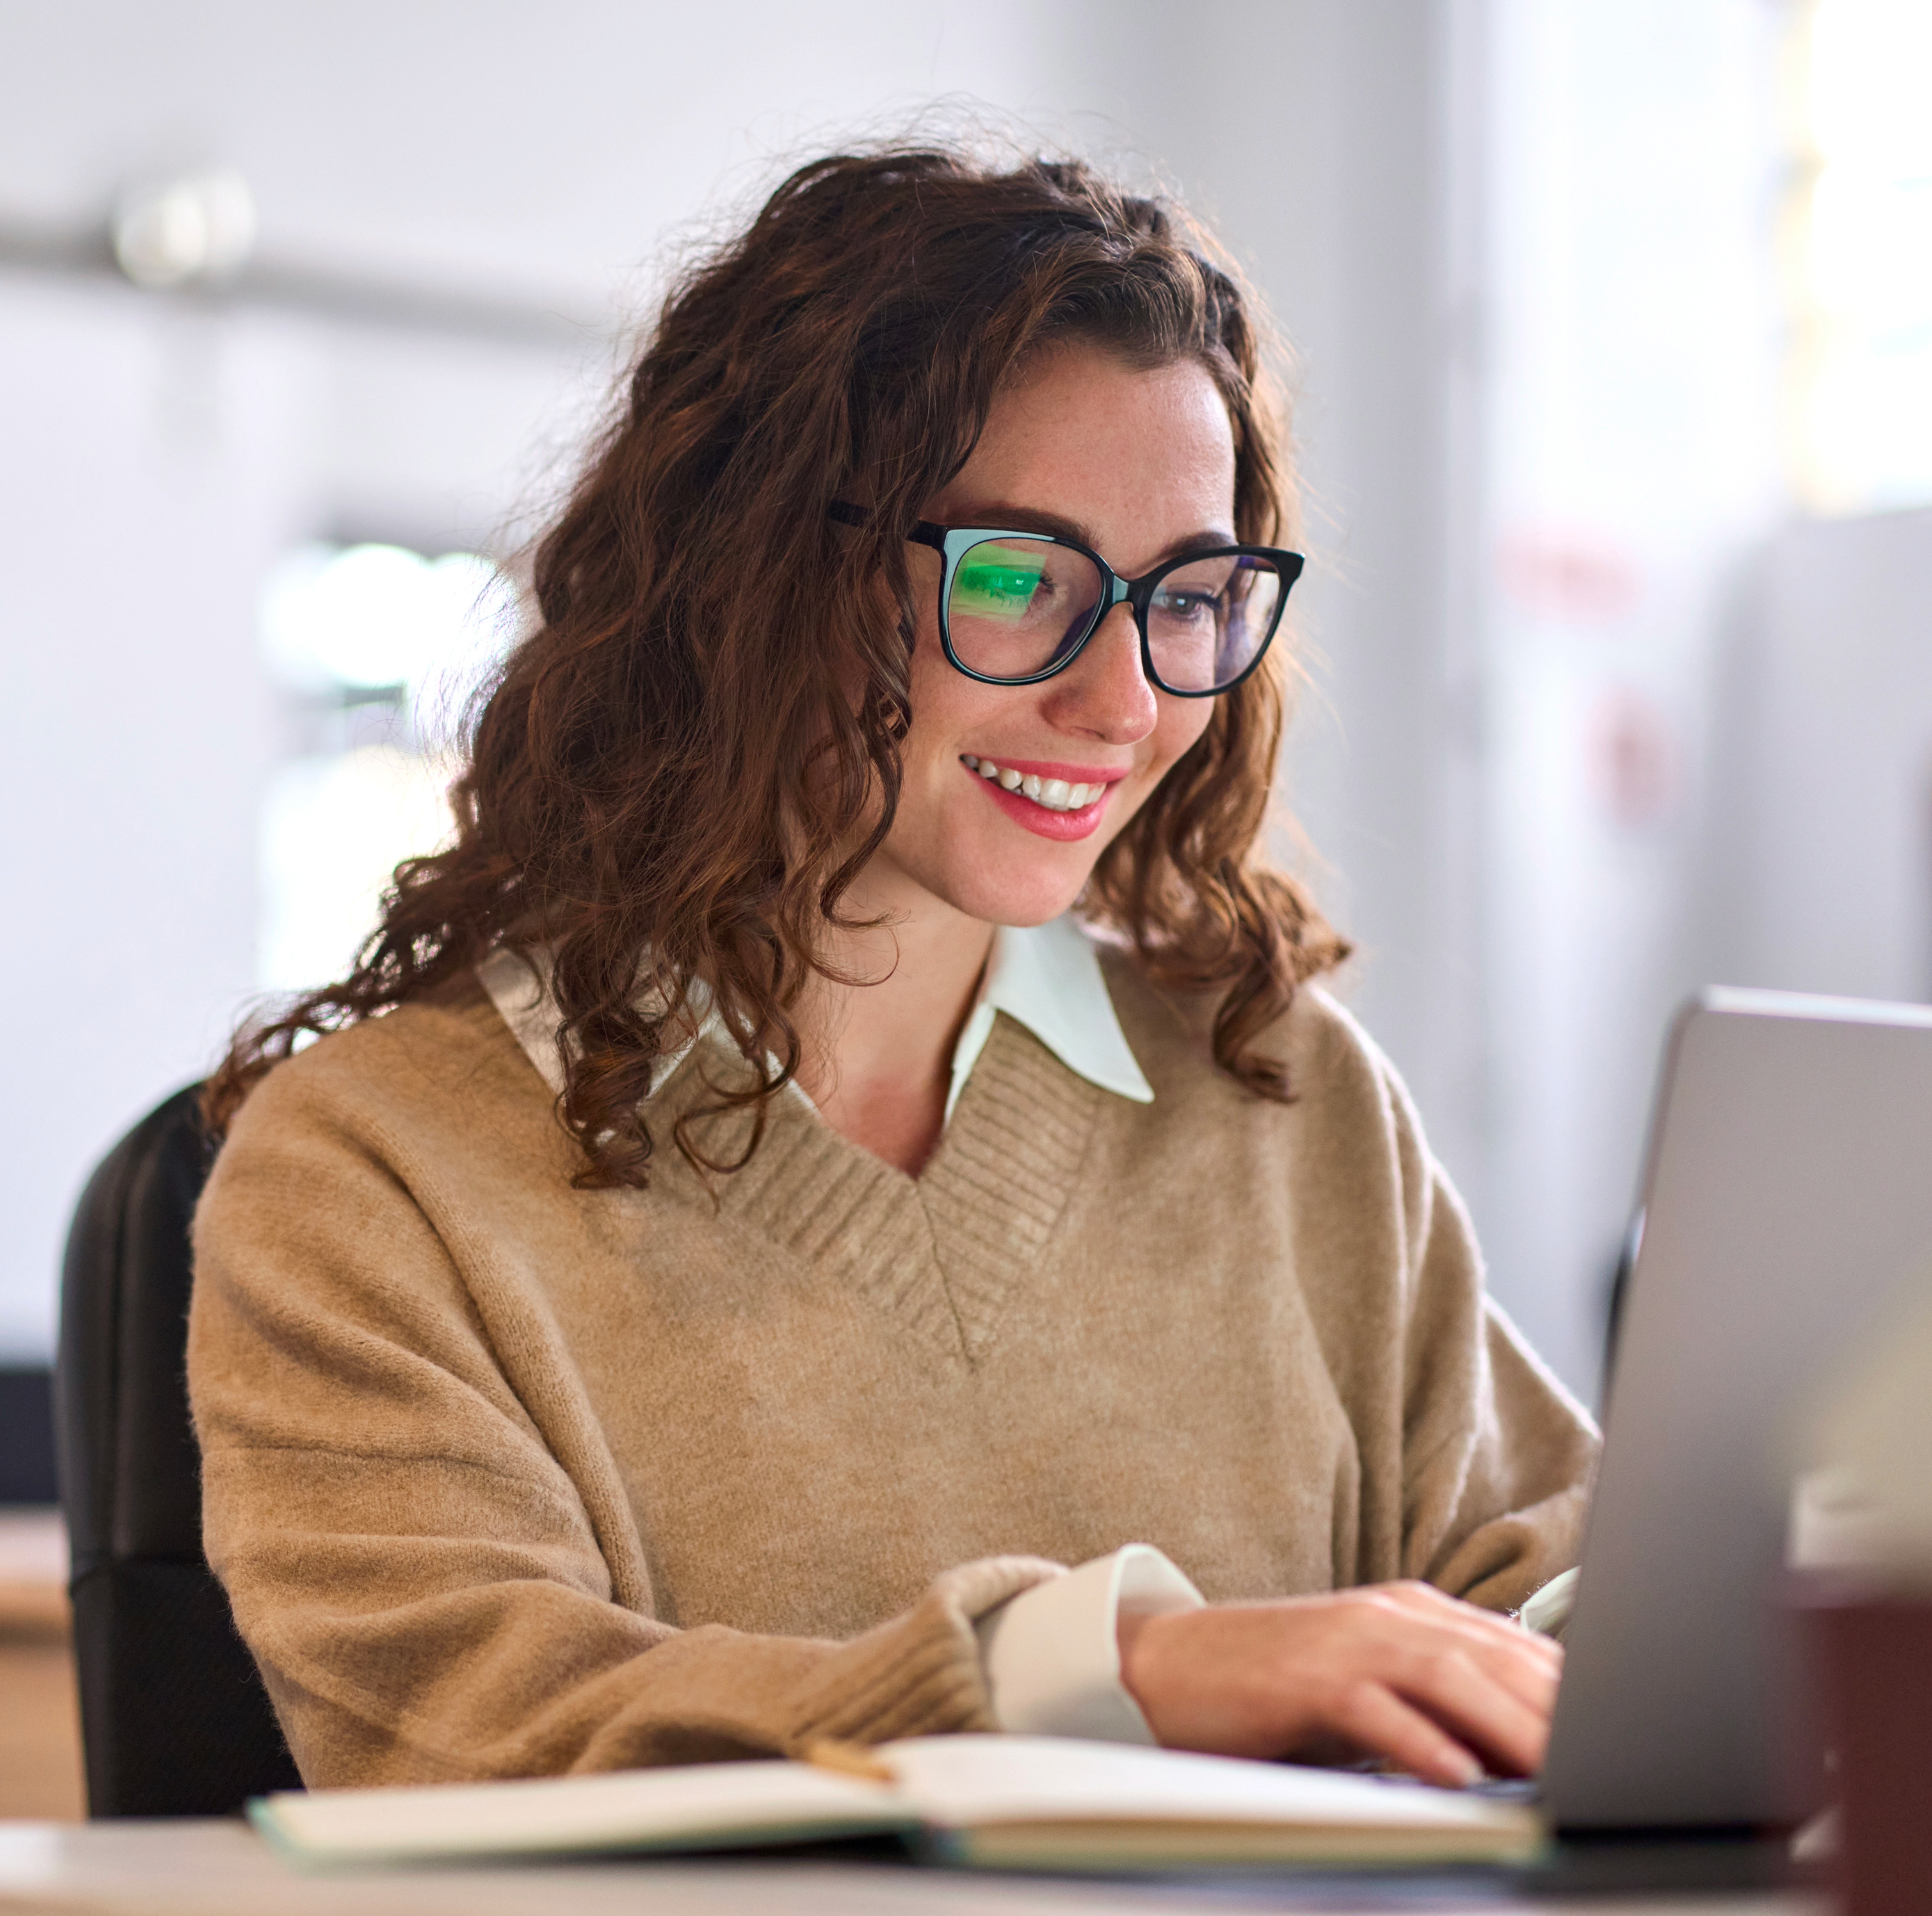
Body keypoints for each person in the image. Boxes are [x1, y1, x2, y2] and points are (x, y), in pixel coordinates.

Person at [190, 145, 1596, 1795]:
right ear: (752, 576)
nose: (1126, 706)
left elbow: (1552, 1599)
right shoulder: (371, 1174)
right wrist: (1114, 1676)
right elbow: (484, 1733)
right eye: (1016, 580)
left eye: (1191, 598)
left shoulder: (1285, 1098)